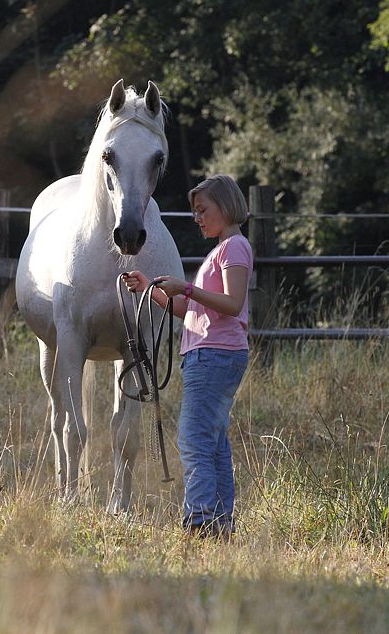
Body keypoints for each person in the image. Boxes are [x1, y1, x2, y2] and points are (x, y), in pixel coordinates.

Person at [123, 174, 252, 540]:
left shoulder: (233, 249)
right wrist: (152, 289)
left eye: (202, 210)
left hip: (214, 355)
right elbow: (192, 310)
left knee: (194, 440)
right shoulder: (225, 249)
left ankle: (200, 522)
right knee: (211, 443)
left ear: (225, 207)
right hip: (210, 353)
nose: (197, 218)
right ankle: (218, 523)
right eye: (195, 212)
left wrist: (188, 288)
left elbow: (233, 304)